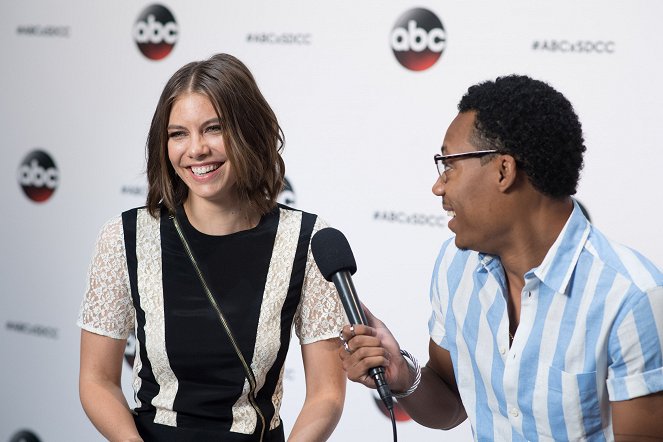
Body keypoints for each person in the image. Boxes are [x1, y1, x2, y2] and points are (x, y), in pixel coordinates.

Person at [340, 75, 663, 441]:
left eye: (448, 164)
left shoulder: (633, 298)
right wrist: (402, 373)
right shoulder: (456, 265)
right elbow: (450, 403)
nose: (438, 186)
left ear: (503, 170)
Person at [77, 53, 347, 441]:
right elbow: (96, 380)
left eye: (214, 128)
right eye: (178, 134)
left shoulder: (306, 239)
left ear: (248, 131)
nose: (196, 149)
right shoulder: (125, 236)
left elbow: (327, 394)